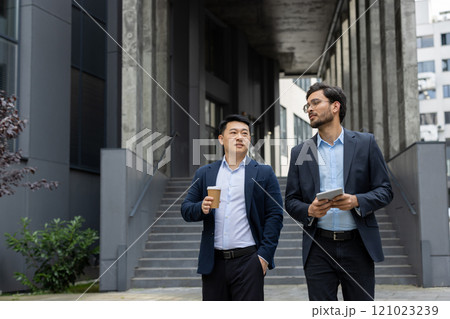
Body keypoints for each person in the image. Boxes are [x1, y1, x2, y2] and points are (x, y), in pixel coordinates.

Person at [285, 82, 393, 301]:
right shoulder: (301, 151)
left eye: (315, 102)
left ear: (335, 106)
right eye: (307, 106)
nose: (310, 109)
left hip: (358, 246)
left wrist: (356, 200)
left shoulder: (365, 143)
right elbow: (290, 200)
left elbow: (385, 190)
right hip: (318, 248)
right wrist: (310, 210)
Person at [181, 114, 283, 301]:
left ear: (250, 139)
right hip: (214, 263)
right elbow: (186, 209)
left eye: (245, 133)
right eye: (233, 132)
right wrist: (201, 208)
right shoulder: (205, 173)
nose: (239, 137)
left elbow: (275, 215)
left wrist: (263, 257)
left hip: (249, 261)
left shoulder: (264, 173)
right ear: (221, 139)